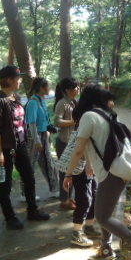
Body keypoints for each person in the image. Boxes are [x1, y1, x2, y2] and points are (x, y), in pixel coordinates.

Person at [63, 85, 131, 260]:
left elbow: (78, 149)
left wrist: (68, 174)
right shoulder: (107, 114)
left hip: (112, 172)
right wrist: (89, 165)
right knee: (106, 212)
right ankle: (106, 248)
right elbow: (93, 144)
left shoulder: (88, 116)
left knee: (102, 217)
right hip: (120, 167)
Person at [0, 65, 50, 229]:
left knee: (29, 177)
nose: (20, 80)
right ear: (9, 80)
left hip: (20, 145)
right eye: (18, 78)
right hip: (5, 149)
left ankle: (32, 211)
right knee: (5, 184)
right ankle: (10, 218)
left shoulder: (15, 98)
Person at [57, 119, 101, 247]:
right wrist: (70, 173)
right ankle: (76, 233)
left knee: (93, 194)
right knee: (84, 199)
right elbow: (80, 149)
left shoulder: (91, 119)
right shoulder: (86, 121)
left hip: (88, 165)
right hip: (81, 166)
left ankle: (89, 226)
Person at [25, 77, 59, 194]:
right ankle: (26, 193)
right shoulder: (33, 103)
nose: (49, 88)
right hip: (34, 137)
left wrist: (50, 127)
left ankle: (55, 189)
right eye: (48, 86)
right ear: (41, 88)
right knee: (30, 164)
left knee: (48, 162)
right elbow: (32, 124)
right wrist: (37, 141)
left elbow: (44, 120)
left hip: (44, 135)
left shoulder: (42, 100)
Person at [54, 77, 80, 210]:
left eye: (78, 86)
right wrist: (73, 122)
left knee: (72, 171)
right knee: (65, 172)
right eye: (75, 87)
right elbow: (57, 121)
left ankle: (69, 198)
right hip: (64, 142)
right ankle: (64, 200)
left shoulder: (74, 102)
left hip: (73, 141)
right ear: (67, 90)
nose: (78, 89)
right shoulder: (62, 103)